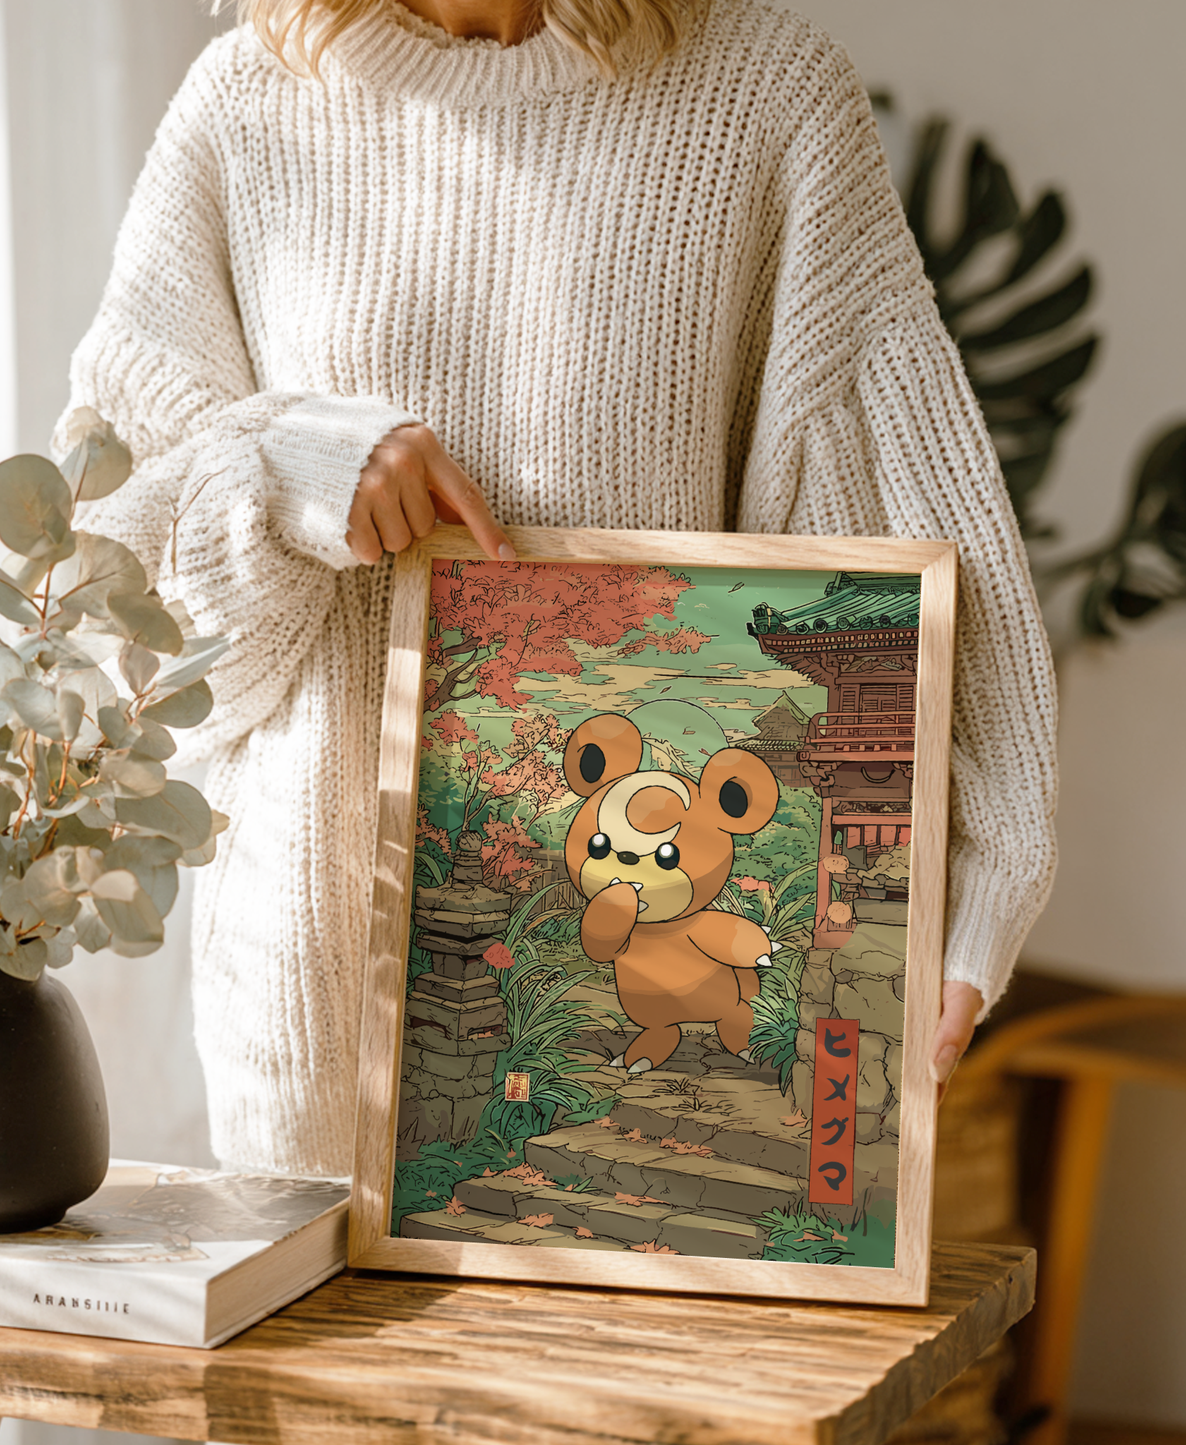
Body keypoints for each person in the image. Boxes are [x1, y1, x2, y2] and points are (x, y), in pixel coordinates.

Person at [55, 0, 1057, 1178]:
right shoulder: (244, 104)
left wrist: (971, 877)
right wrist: (286, 463)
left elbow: (887, 530)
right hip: (312, 1001)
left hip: (654, 1017)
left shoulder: (764, 95)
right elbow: (106, 612)